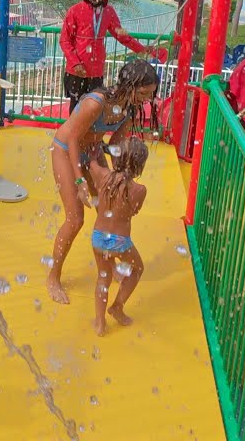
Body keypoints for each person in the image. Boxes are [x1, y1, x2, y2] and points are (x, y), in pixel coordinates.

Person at [47, 59, 158, 305]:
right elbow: (74, 139)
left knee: (109, 212)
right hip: (66, 150)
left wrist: (128, 169)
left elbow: (114, 146)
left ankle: (110, 263)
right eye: (144, 93)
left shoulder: (128, 110)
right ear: (130, 85)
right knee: (75, 218)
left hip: (93, 153)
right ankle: (53, 276)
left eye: (150, 95)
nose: (147, 100)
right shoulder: (96, 103)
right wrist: (80, 181)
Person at [60, 0, 156, 113]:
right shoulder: (75, 11)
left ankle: (90, 134)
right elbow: (65, 40)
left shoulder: (108, 12)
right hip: (76, 70)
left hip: (96, 69)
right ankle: (73, 134)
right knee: (76, 105)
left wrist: (141, 49)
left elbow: (122, 36)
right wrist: (75, 63)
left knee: (94, 105)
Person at [89, 137, 148, 336]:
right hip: (120, 242)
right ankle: (117, 307)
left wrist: (96, 145)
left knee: (103, 279)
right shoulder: (139, 190)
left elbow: (91, 162)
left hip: (98, 238)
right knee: (137, 269)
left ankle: (99, 323)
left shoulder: (103, 175)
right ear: (140, 166)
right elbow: (134, 211)